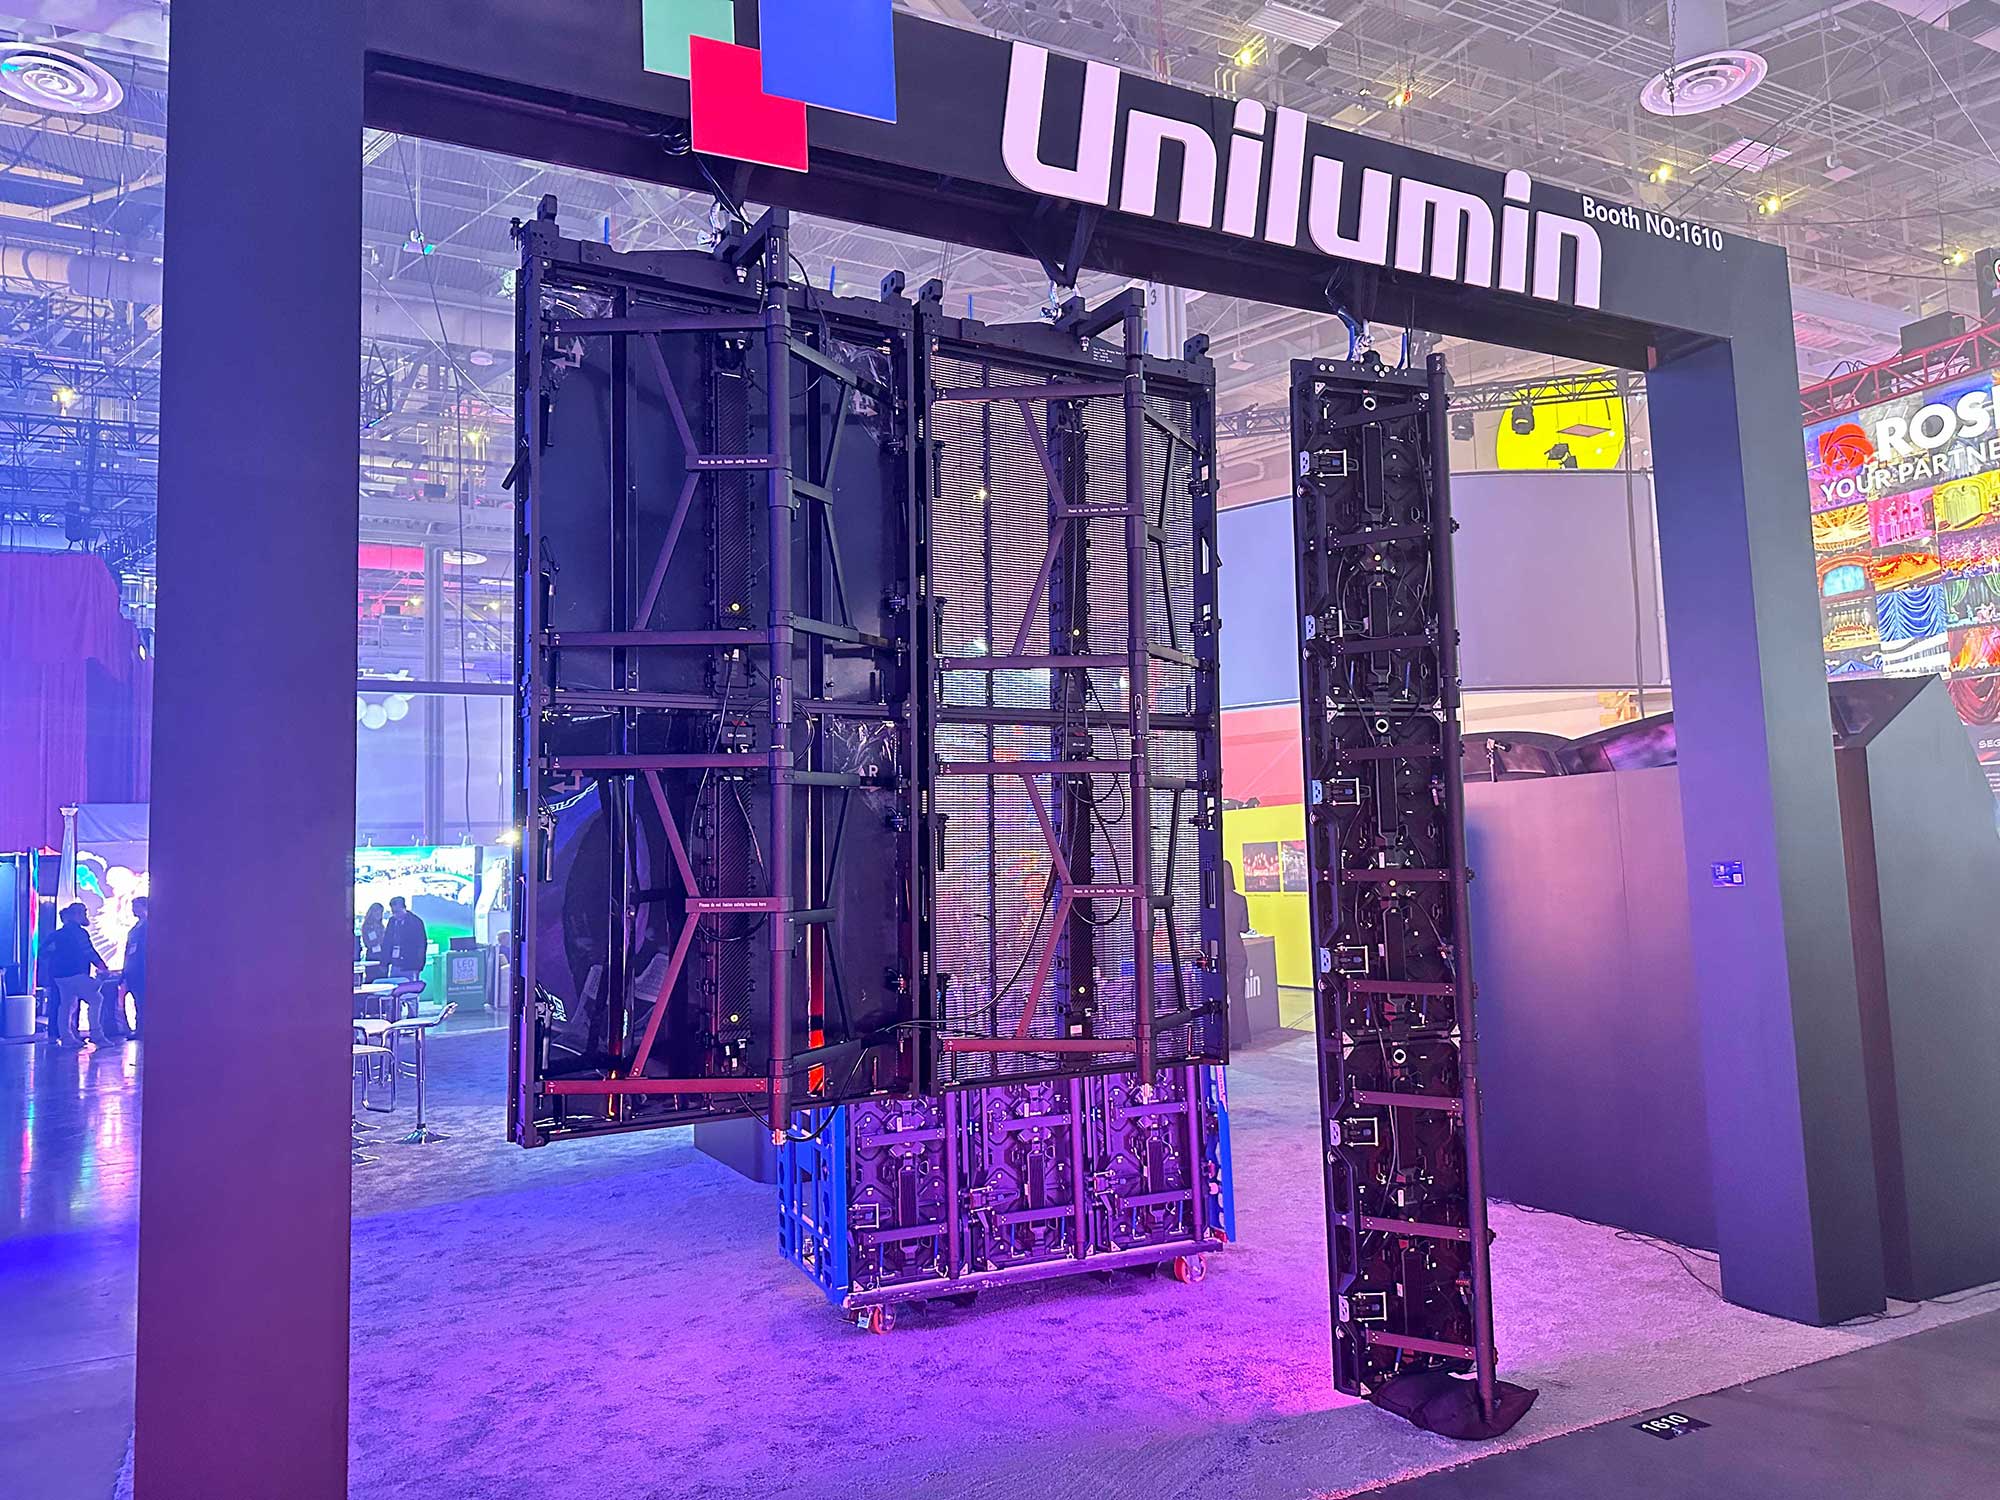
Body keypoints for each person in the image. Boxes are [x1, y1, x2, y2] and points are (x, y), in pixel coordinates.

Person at [44, 902, 109, 1048]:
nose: (85, 915)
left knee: (65, 1005)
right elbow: (89, 951)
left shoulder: (56, 934)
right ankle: (96, 1035)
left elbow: (43, 951)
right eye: (83, 912)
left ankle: (65, 1037)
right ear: (76, 914)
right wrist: (102, 966)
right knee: (96, 998)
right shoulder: (80, 932)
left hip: (59, 976)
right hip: (76, 973)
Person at [118, 896, 149, 1039]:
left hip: (142, 969)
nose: (133, 910)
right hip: (133, 969)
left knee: (143, 1000)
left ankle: (142, 1029)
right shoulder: (135, 928)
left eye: (136, 906)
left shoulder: (148, 927)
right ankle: (139, 1029)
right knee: (137, 999)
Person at [385, 896, 428, 981]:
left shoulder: (416, 922)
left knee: (409, 986)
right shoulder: (392, 921)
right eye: (393, 912)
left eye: (397, 911)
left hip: (411, 965)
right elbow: (387, 941)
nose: (395, 914)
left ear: (404, 908)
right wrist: (385, 962)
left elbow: (422, 944)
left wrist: (419, 965)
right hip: (395, 964)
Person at [359, 901, 388, 981]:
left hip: (382, 956)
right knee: (372, 978)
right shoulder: (368, 926)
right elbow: (370, 943)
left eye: (381, 912)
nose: (379, 914)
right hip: (373, 956)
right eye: (376, 911)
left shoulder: (381, 925)